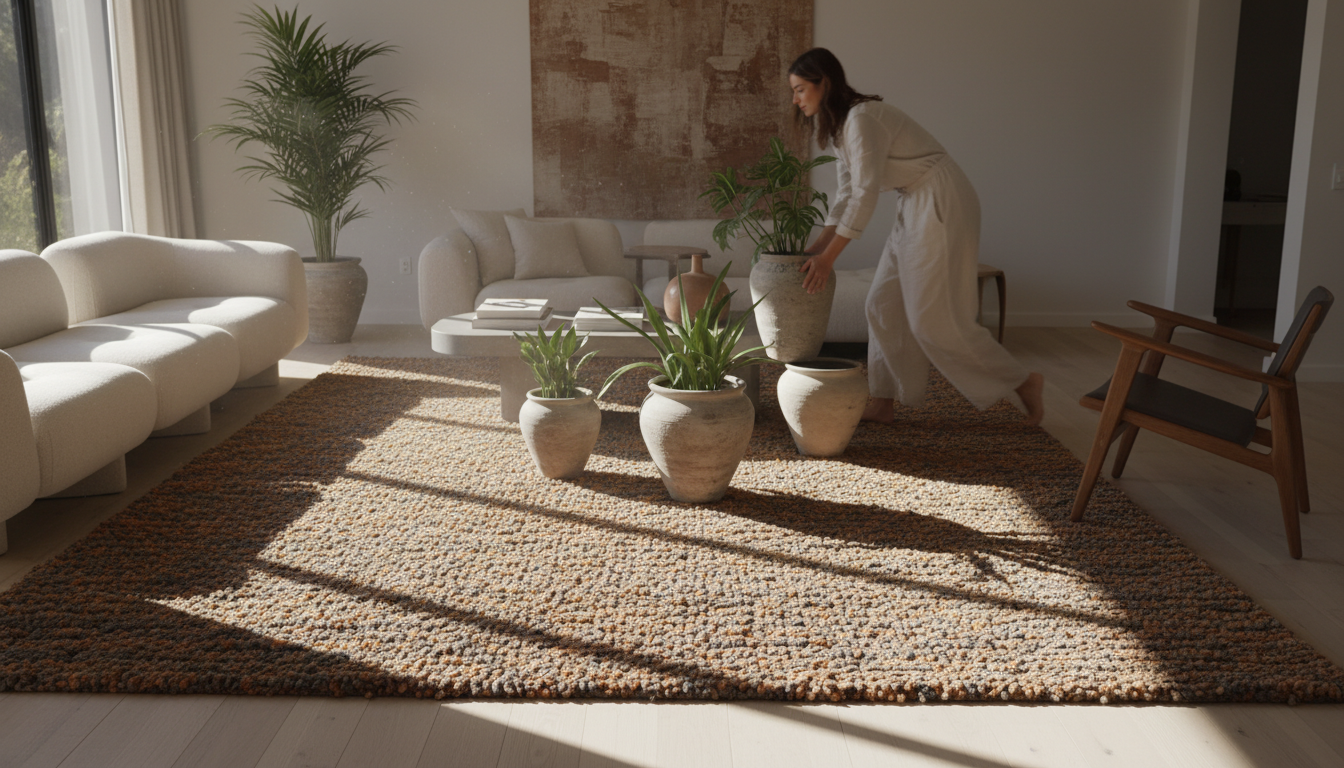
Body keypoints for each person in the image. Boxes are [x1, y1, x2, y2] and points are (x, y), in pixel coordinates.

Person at [789, 48, 1045, 426]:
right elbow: (846, 193)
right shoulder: (839, 128)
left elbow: (866, 194)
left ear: (823, 83)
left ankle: (1022, 382)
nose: (795, 99)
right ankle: (884, 399)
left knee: (931, 321)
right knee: (881, 304)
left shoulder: (861, 120)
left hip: (940, 198)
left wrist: (829, 259)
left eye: (799, 89)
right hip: (915, 201)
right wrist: (817, 247)